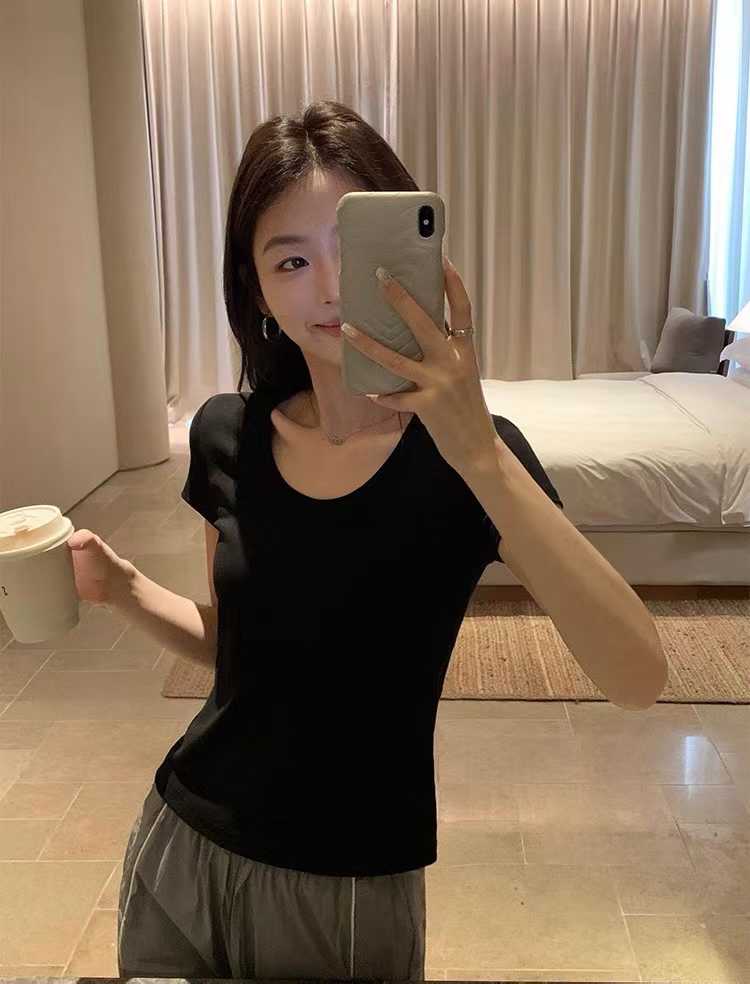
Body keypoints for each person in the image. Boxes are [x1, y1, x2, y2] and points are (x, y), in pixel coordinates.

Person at [67, 100, 563, 981]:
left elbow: (637, 672)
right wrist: (124, 590)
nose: (329, 287)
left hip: (349, 885)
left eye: (351, 249)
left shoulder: (473, 460)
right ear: (256, 289)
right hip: (182, 844)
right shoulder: (225, 435)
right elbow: (237, 651)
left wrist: (479, 450)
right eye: (291, 260)